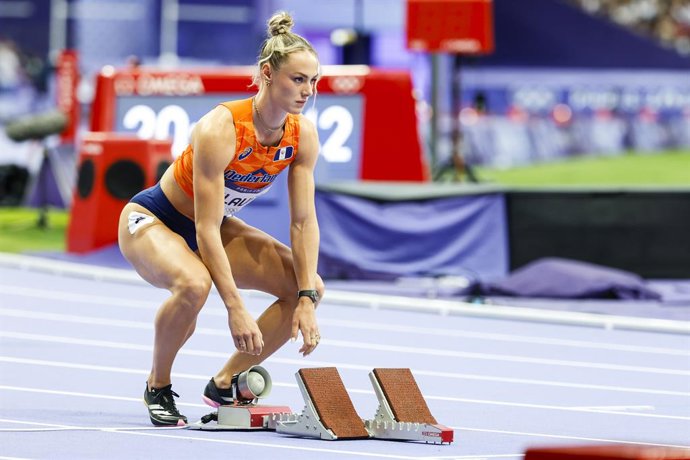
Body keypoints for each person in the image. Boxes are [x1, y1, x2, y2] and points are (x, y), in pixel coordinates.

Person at [117, 11, 324, 427]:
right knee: (195, 284)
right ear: (268, 74)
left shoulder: (302, 136)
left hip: (212, 225)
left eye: (314, 81)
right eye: (297, 80)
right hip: (154, 219)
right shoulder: (221, 127)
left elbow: (303, 222)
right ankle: (157, 385)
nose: (308, 91)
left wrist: (305, 300)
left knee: (309, 285)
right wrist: (236, 308)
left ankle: (226, 381)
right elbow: (204, 228)